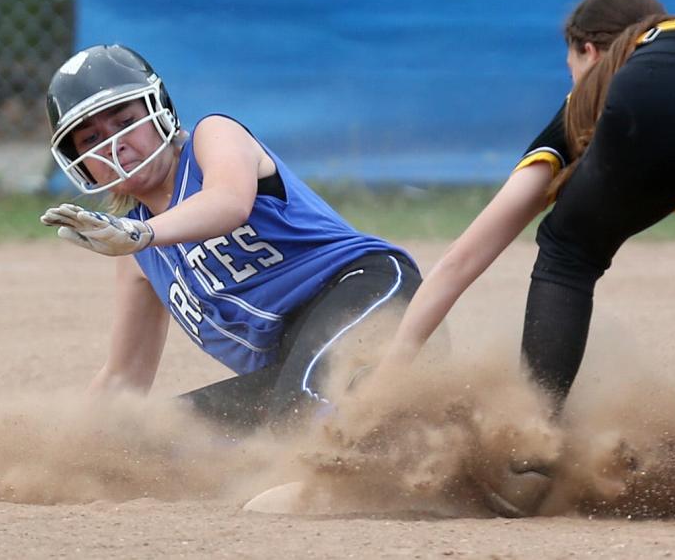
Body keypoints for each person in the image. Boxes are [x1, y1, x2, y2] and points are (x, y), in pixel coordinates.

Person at [374, 0, 675, 514]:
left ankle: (533, 449)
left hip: (666, 95)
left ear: (590, 53)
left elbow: (466, 256)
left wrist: (395, 364)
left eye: (570, 64)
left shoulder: (596, 96)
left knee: (566, 252)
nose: (572, 79)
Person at [40, 44, 421, 432]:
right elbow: (124, 377)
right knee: (146, 439)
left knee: (300, 411)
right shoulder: (136, 252)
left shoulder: (213, 138)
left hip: (367, 296)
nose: (113, 143)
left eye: (124, 121)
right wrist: (67, 449)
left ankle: (388, 436)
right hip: (290, 373)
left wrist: (143, 233)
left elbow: (229, 202)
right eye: (90, 139)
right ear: (79, 162)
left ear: (160, 112)